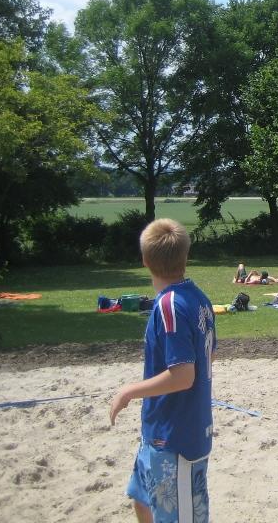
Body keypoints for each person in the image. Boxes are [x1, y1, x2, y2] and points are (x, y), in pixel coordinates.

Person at [109, 218, 216, 522]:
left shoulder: (171, 305)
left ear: (145, 260)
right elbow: (209, 358)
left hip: (176, 439)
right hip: (158, 431)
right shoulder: (198, 297)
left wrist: (128, 391)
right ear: (186, 256)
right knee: (141, 500)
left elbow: (184, 376)